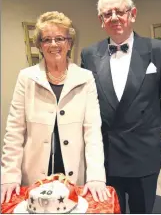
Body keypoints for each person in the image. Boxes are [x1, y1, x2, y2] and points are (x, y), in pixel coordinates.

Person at [81, 0, 161, 213]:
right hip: (106, 156)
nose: (114, 17)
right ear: (101, 20)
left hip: (143, 155)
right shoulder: (89, 54)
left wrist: (149, 125)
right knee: (109, 211)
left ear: (132, 14)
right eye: (107, 13)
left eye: (120, 11)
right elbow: (88, 103)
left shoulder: (158, 50)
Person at [1, 11, 111, 204]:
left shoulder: (85, 78)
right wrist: (9, 176)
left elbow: (93, 132)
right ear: (40, 45)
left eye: (59, 38)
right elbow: (14, 132)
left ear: (69, 43)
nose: (53, 44)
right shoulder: (26, 78)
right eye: (47, 39)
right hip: (34, 174)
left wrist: (95, 176)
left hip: (73, 173)